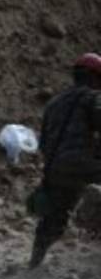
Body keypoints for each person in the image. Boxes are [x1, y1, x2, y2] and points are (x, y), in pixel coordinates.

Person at [29, 54, 101, 268]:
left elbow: (43, 143)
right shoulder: (93, 97)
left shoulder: (53, 104)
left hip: (55, 168)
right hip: (85, 165)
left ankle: (35, 261)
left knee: (54, 217)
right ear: (95, 77)